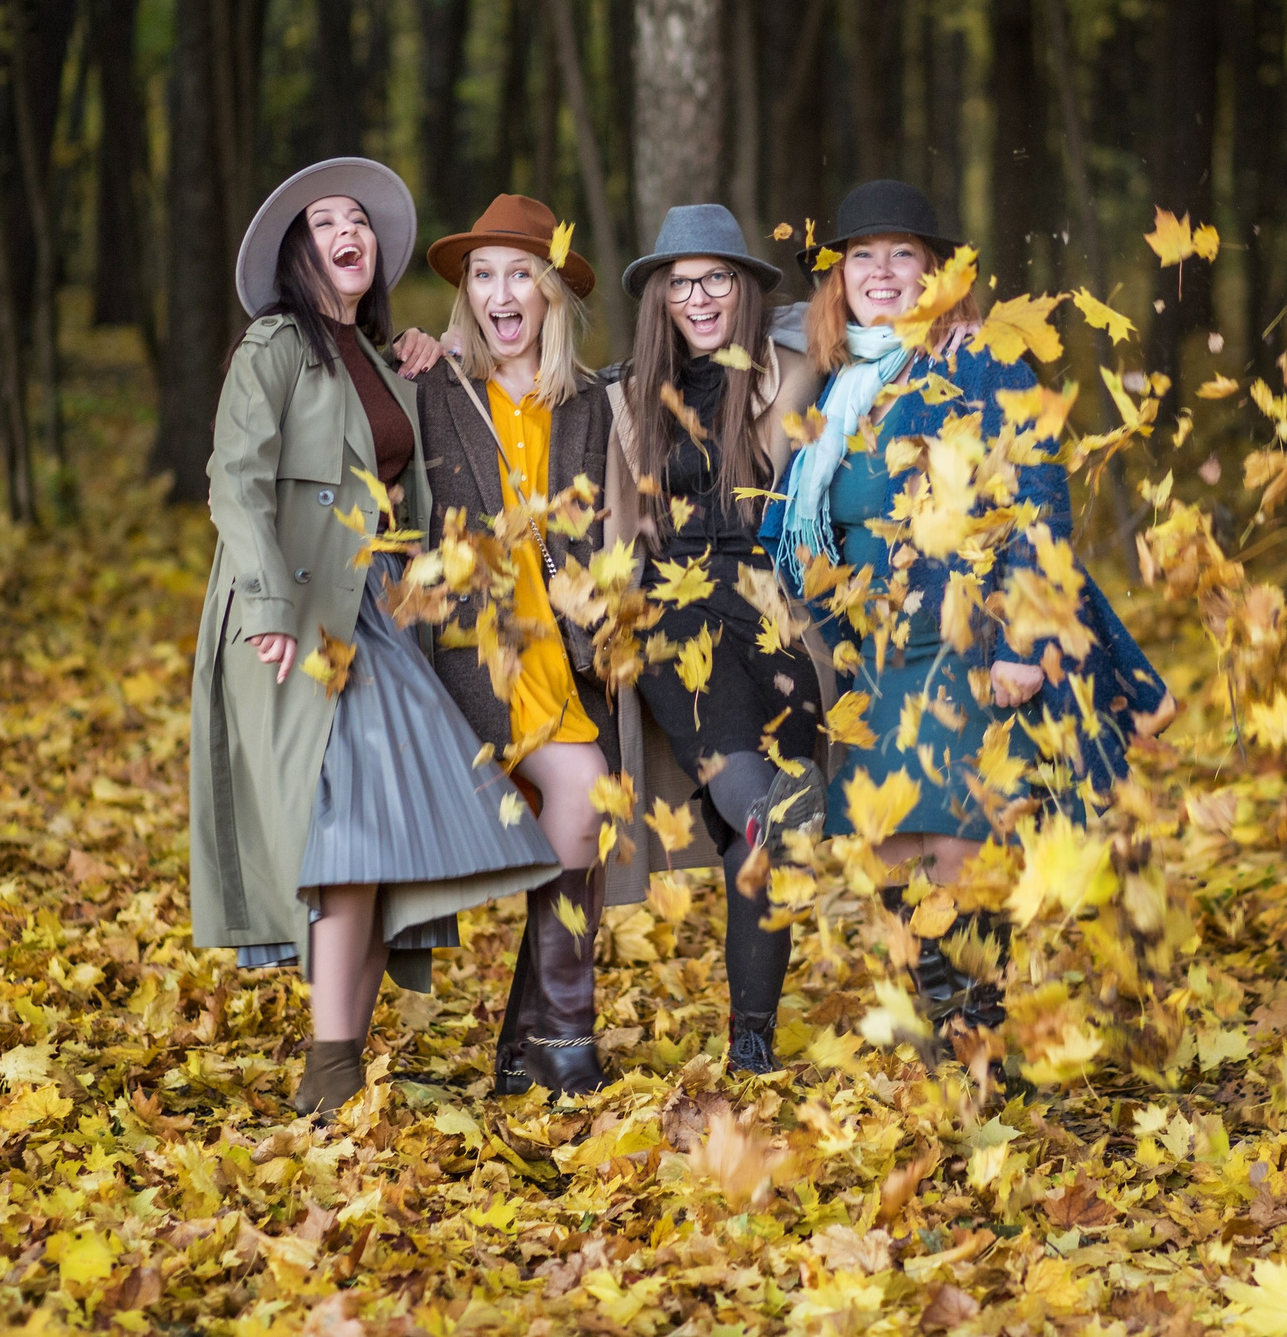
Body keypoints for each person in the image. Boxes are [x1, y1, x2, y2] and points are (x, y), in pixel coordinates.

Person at [190, 158, 562, 1120]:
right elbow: (233, 481)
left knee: (371, 833)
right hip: (297, 607)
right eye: (325, 221)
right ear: (297, 250)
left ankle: (338, 1064)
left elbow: (419, 461)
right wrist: (270, 609)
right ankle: (331, 1066)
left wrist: (425, 361)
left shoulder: (387, 354)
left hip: (382, 604)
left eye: (358, 218)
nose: (347, 231)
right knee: (345, 832)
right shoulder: (276, 344)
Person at [766, 179, 1175, 1049]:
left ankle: (974, 1032)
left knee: (959, 841)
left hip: (966, 634)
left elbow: (1038, 495)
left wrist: (1025, 637)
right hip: (869, 651)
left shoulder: (979, 356)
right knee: (886, 847)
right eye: (861, 256)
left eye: (901, 255)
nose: (881, 272)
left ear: (935, 271)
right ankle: (936, 1018)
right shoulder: (833, 376)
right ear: (837, 278)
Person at [605, 205, 828, 1075]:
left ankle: (752, 1040)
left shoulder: (795, 370)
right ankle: (773, 812)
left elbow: (871, 325)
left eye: (718, 278)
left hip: (774, 607)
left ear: (744, 290)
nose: (699, 297)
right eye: (683, 282)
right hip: (669, 608)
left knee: (757, 835)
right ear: (660, 297)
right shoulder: (625, 392)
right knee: (760, 804)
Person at [415, 193, 623, 1098]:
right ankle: (563, 1039)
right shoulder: (433, 386)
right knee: (582, 797)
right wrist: (414, 350)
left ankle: (532, 1044)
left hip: (568, 654)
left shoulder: (592, 403)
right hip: (472, 658)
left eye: (520, 276)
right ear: (468, 295)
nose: (501, 293)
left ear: (550, 296)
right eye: (484, 275)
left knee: (588, 806)